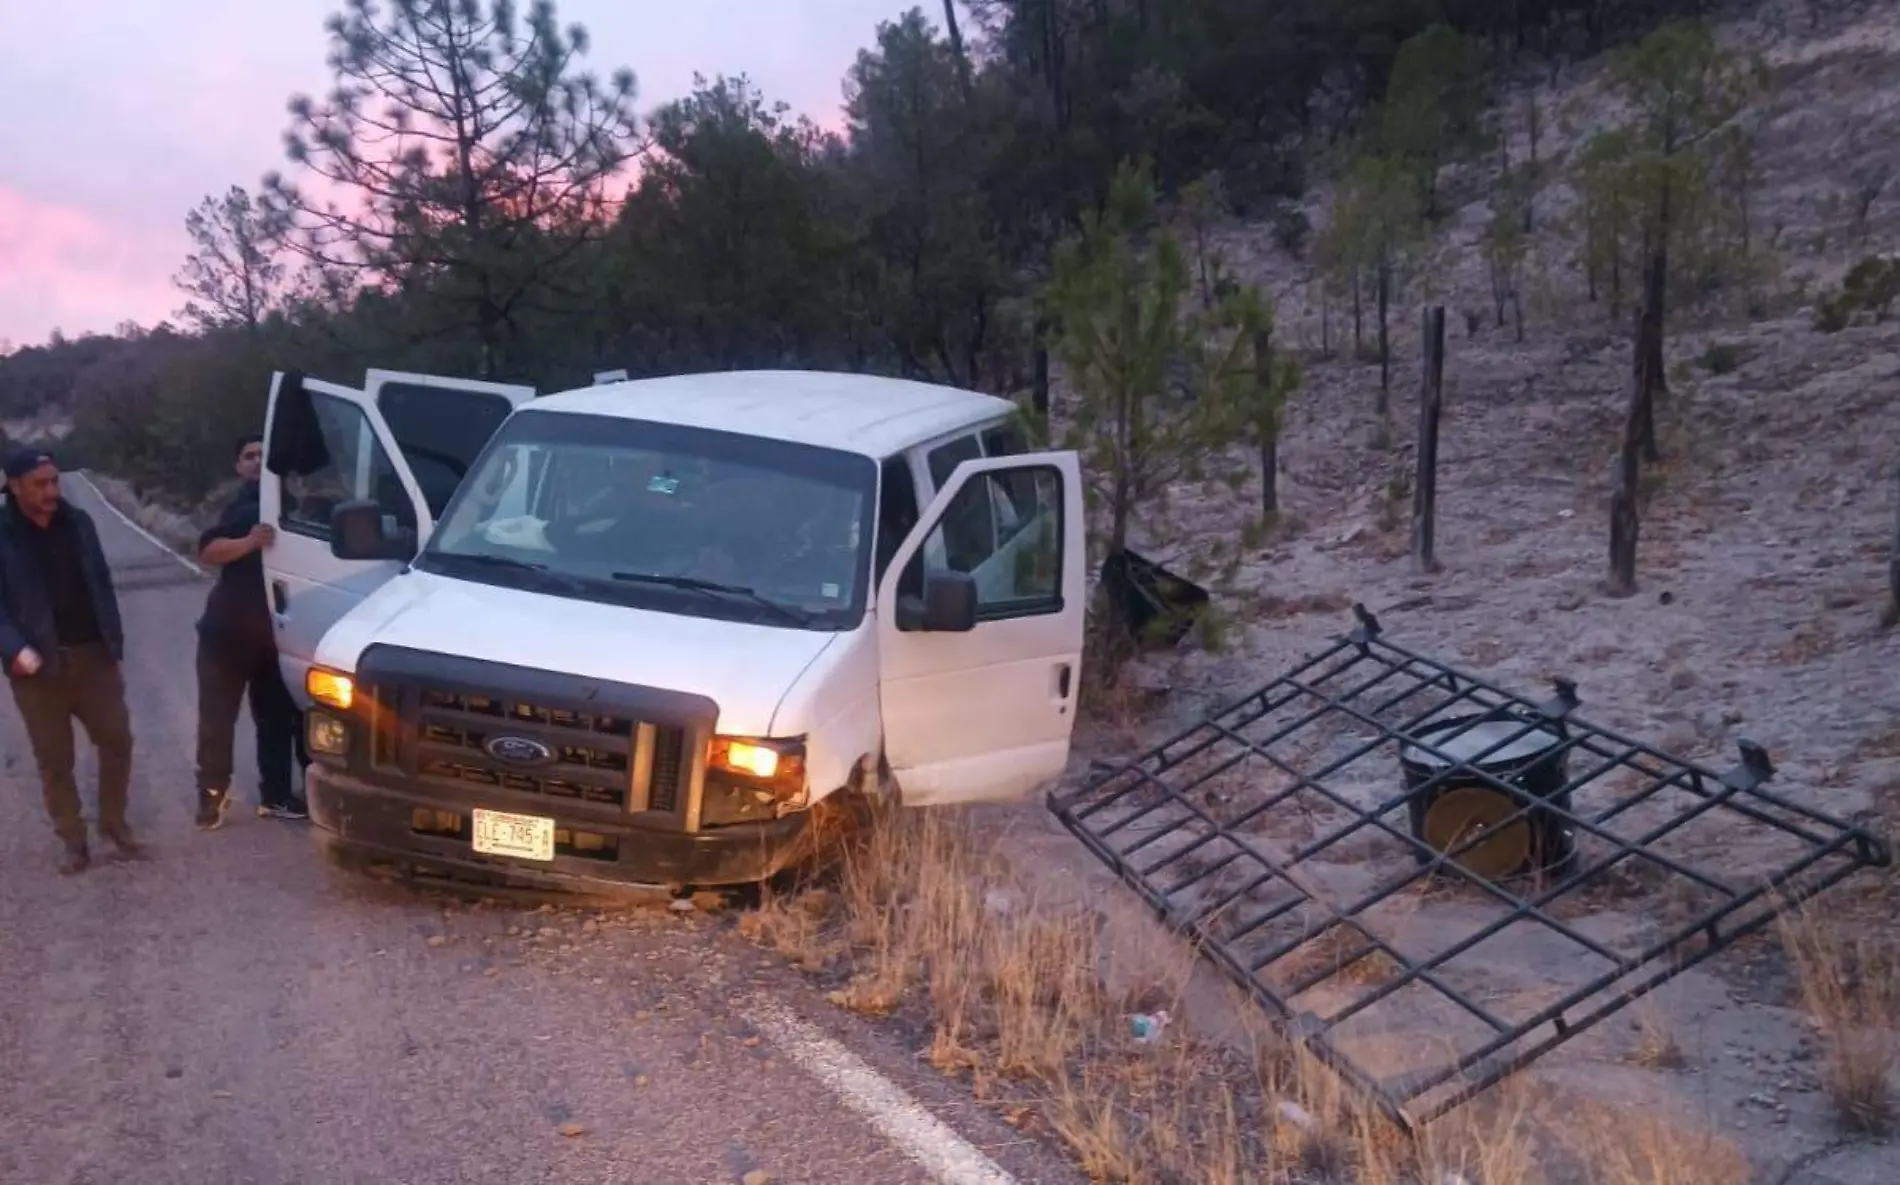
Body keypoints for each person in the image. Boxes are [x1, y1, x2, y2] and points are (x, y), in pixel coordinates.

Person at [0, 446, 140, 874]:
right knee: (55, 758)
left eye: (54, 481)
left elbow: (101, 584)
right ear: (14, 486)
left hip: (92, 657)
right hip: (37, 668)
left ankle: (114, 826)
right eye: (40, 484)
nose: (51, 491)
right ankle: (73, 841)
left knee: (118, 741)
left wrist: (113, 647)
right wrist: (14, 648)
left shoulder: (78, 522)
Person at [194, 434, 308, 829]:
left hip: (274, 634)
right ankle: (211, 798)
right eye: (249, 456)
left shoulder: (289, 508)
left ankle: (275, 796)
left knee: (277, 719)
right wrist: (250, 542)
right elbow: (207, 550)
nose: (257, 461)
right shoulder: (241, 507)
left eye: (263, 455)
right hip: (225, 636)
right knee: (217, 721)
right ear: (238, 466)